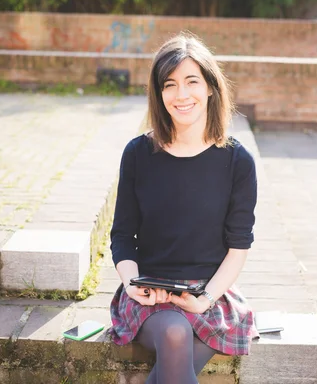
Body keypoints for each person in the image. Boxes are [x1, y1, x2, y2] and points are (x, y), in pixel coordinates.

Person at [108, 33, 258, 384]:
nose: (181, 95)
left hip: (209, 295)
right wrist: (132, 285)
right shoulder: (137, 154)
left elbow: (238, 248)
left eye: (192, 81)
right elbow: (121, 236)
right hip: (148, 296)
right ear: (159, 94)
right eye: (170, 85)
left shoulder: (238, 162)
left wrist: (204, 298)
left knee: (179, 345)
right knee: (175, 333)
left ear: (209, 87)